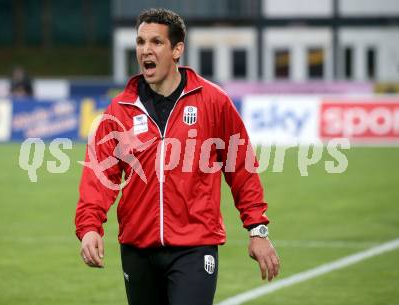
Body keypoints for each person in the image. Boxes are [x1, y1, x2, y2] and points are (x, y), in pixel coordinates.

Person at [75, 8, 279, 305]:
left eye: (156, 42)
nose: (146, 49)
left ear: (177, 50)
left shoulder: (213, 101)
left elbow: (241, 168)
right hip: (137, 248)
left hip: (195, 247)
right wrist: (90, 227)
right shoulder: (120, 109)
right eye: (141, 42)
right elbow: (99, 175)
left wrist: (257, 230)